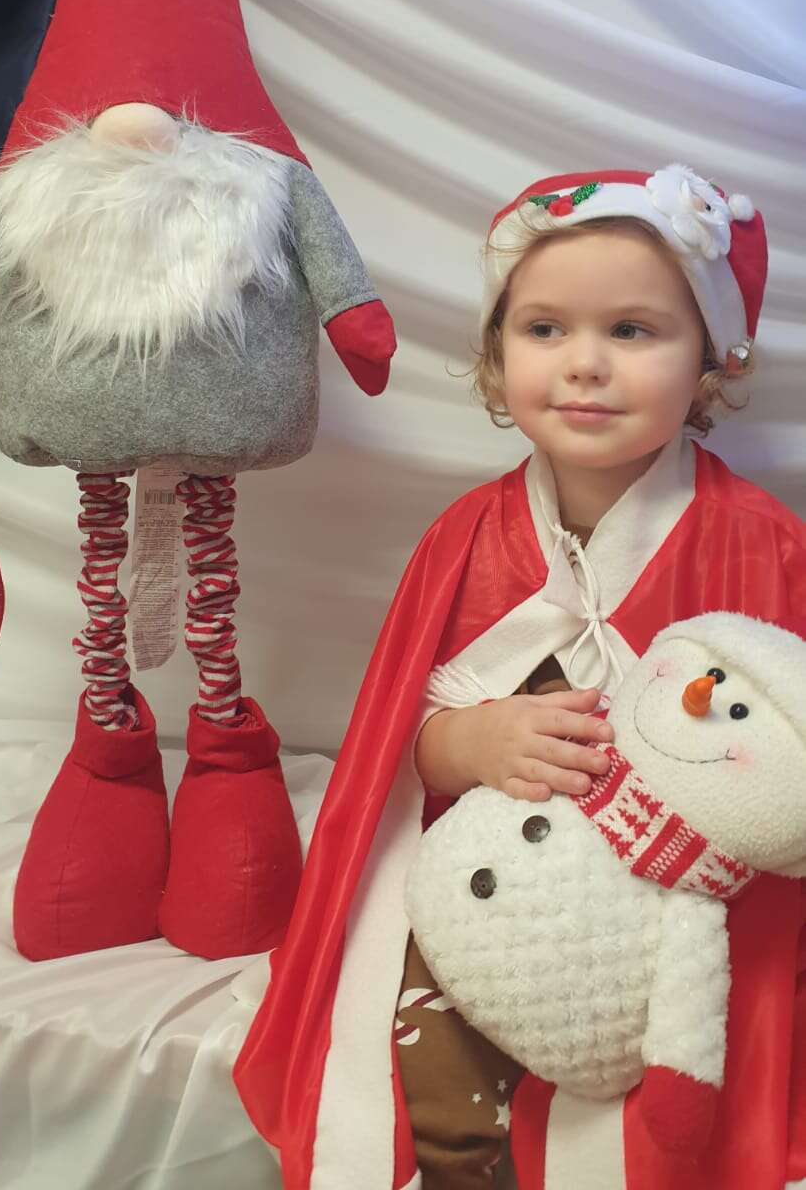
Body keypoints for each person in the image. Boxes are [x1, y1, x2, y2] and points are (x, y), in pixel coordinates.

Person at [234, 164, 806, 1190]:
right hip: (493, 887)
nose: (585, 363)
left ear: (709, 362)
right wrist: (468, 740)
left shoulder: (762, 546)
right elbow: (392, 755)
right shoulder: (466, 536)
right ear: (498, 356)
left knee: (672, 1106)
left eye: (631, 330)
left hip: (671, 922)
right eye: (545, 329)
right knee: (422, 1080)